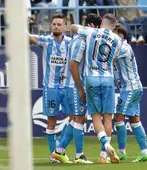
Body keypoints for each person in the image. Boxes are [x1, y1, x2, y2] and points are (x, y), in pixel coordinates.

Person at [69, 14, 122, 163]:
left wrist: (73, 26)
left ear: (102, 23)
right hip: (108, 78)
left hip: (91, 77)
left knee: (96, 117)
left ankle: (105, 143)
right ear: (113, 26)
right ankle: (103, 155)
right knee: (108, 118)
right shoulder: (118, 40)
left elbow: (74, 28)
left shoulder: (91, 32)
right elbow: (114, 60)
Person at [52, 13, 102, 164]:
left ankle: (59, 151)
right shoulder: (81, 40)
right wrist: (80, 88)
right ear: (93, 26)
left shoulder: (79, 37)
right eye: (98, 28)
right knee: (79, 118)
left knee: (75, 118)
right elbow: (73, 65)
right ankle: (79, 155)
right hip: (74, 85)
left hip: (71, 84)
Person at [29, 13, 73, 163]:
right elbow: (30, 37)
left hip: (67, 87)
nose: (55, 26)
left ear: (65, 27)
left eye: (59, 24)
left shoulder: (71, 43)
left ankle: (60, 148)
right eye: (53, 24)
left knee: (74, 119)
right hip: (50, 88)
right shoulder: (46, 41)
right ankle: (54, 155)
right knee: (51, 121)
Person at [112, 23, 147, 162]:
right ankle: (145, 151)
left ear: (121, 36)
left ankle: (121, 152)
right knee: (134, 120)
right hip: (134, 87)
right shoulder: (122, 47)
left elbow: (108, 58)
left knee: (118, 118)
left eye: (114, 33)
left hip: (130, 88)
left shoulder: (123, 47)